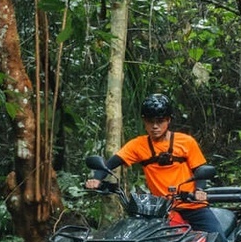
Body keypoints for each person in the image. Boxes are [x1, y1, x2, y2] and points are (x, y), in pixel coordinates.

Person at [85, 93, 221, 233]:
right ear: (144, 121)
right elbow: (111, 163)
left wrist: (199, 191)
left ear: (168, 120)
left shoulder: (186, 142)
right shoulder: (138, 145)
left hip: (192, 206)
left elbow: (201, 170)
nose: (155, 126)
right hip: (161, 211)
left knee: (216, 237)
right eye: (150, 121)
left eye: (160, 121)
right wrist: (96, 179)